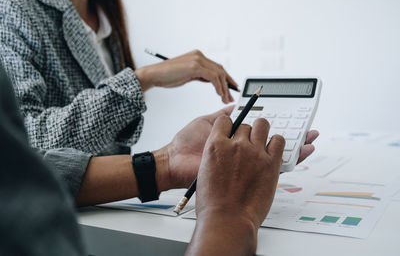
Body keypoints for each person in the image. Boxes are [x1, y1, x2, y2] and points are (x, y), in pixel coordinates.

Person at [0, 59, 292, 256]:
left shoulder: (106, 14)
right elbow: (25, 148)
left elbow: (13, 169)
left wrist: (166, 163)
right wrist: (229, 215)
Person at [0, 0, 239, 156]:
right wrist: (142, 79)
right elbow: (24, 139)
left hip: (107, 204)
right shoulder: (13, 9)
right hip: (60, 212)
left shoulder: (104, 14)